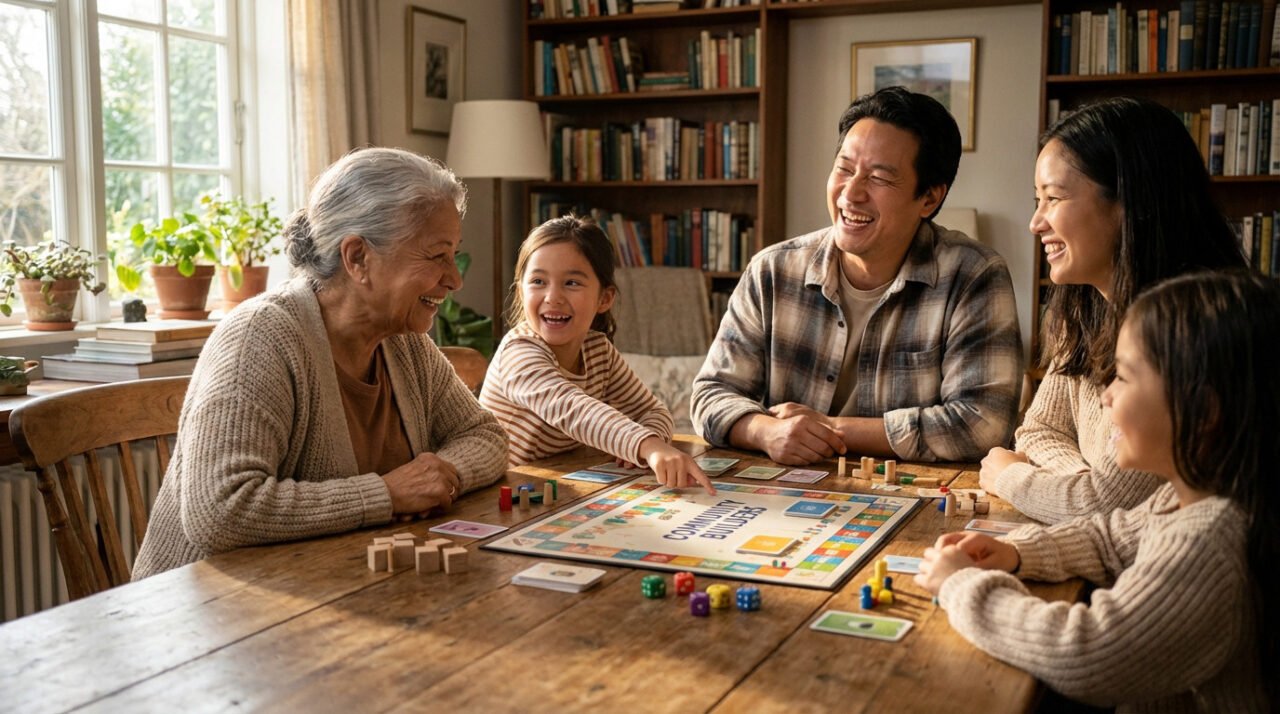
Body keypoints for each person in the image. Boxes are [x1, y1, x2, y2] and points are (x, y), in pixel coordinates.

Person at [132, 148, 508, 578]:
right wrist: (385, 495)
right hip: (205, 615)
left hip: (328, 585)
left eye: (453, 254)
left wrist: (443, 474)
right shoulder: (260, 338)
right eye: (436, 255)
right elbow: (220, 510)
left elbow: (485, 436)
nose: (454, 278)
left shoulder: (403, 343)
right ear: (357, 258)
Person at [916, 271, 1276, 713]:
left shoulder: (1209, 540)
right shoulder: (1194, 497)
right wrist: (1017, 553)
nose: (1105, 396)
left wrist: (962, 584)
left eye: (1122, 378)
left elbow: (1086, 652)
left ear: (1203, 412)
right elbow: (1109, 538)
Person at [690, 86, 1022, 466]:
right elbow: (710, 395)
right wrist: (767, 432)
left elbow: (984, 424)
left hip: (909, 500)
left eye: (879, 178)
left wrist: (829, 431)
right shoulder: (772, 271)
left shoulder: (973, 276)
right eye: (844, 169)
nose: (851, 193)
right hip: (781, 497)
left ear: (929, 198)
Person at [980, 97, 1244, 523]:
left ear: (1130, 203)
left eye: (1054, 198)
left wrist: (1014, 478)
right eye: (1037, 199)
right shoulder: (1083, 307)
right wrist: (1084, 481)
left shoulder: (1188, 334)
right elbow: (1038, 430)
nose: (1035, 222)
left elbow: (1105, 504)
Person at [480, 215, 714, 494]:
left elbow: (653, 411)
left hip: (563, 491)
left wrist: (648, 439)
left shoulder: (598, 350)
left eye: (572, 283)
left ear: (604, 298)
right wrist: (646, 445)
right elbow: (572, 408)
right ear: (521, 291)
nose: (552, 297)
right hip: (504, 495)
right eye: (539, 281)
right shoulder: (518, 354)